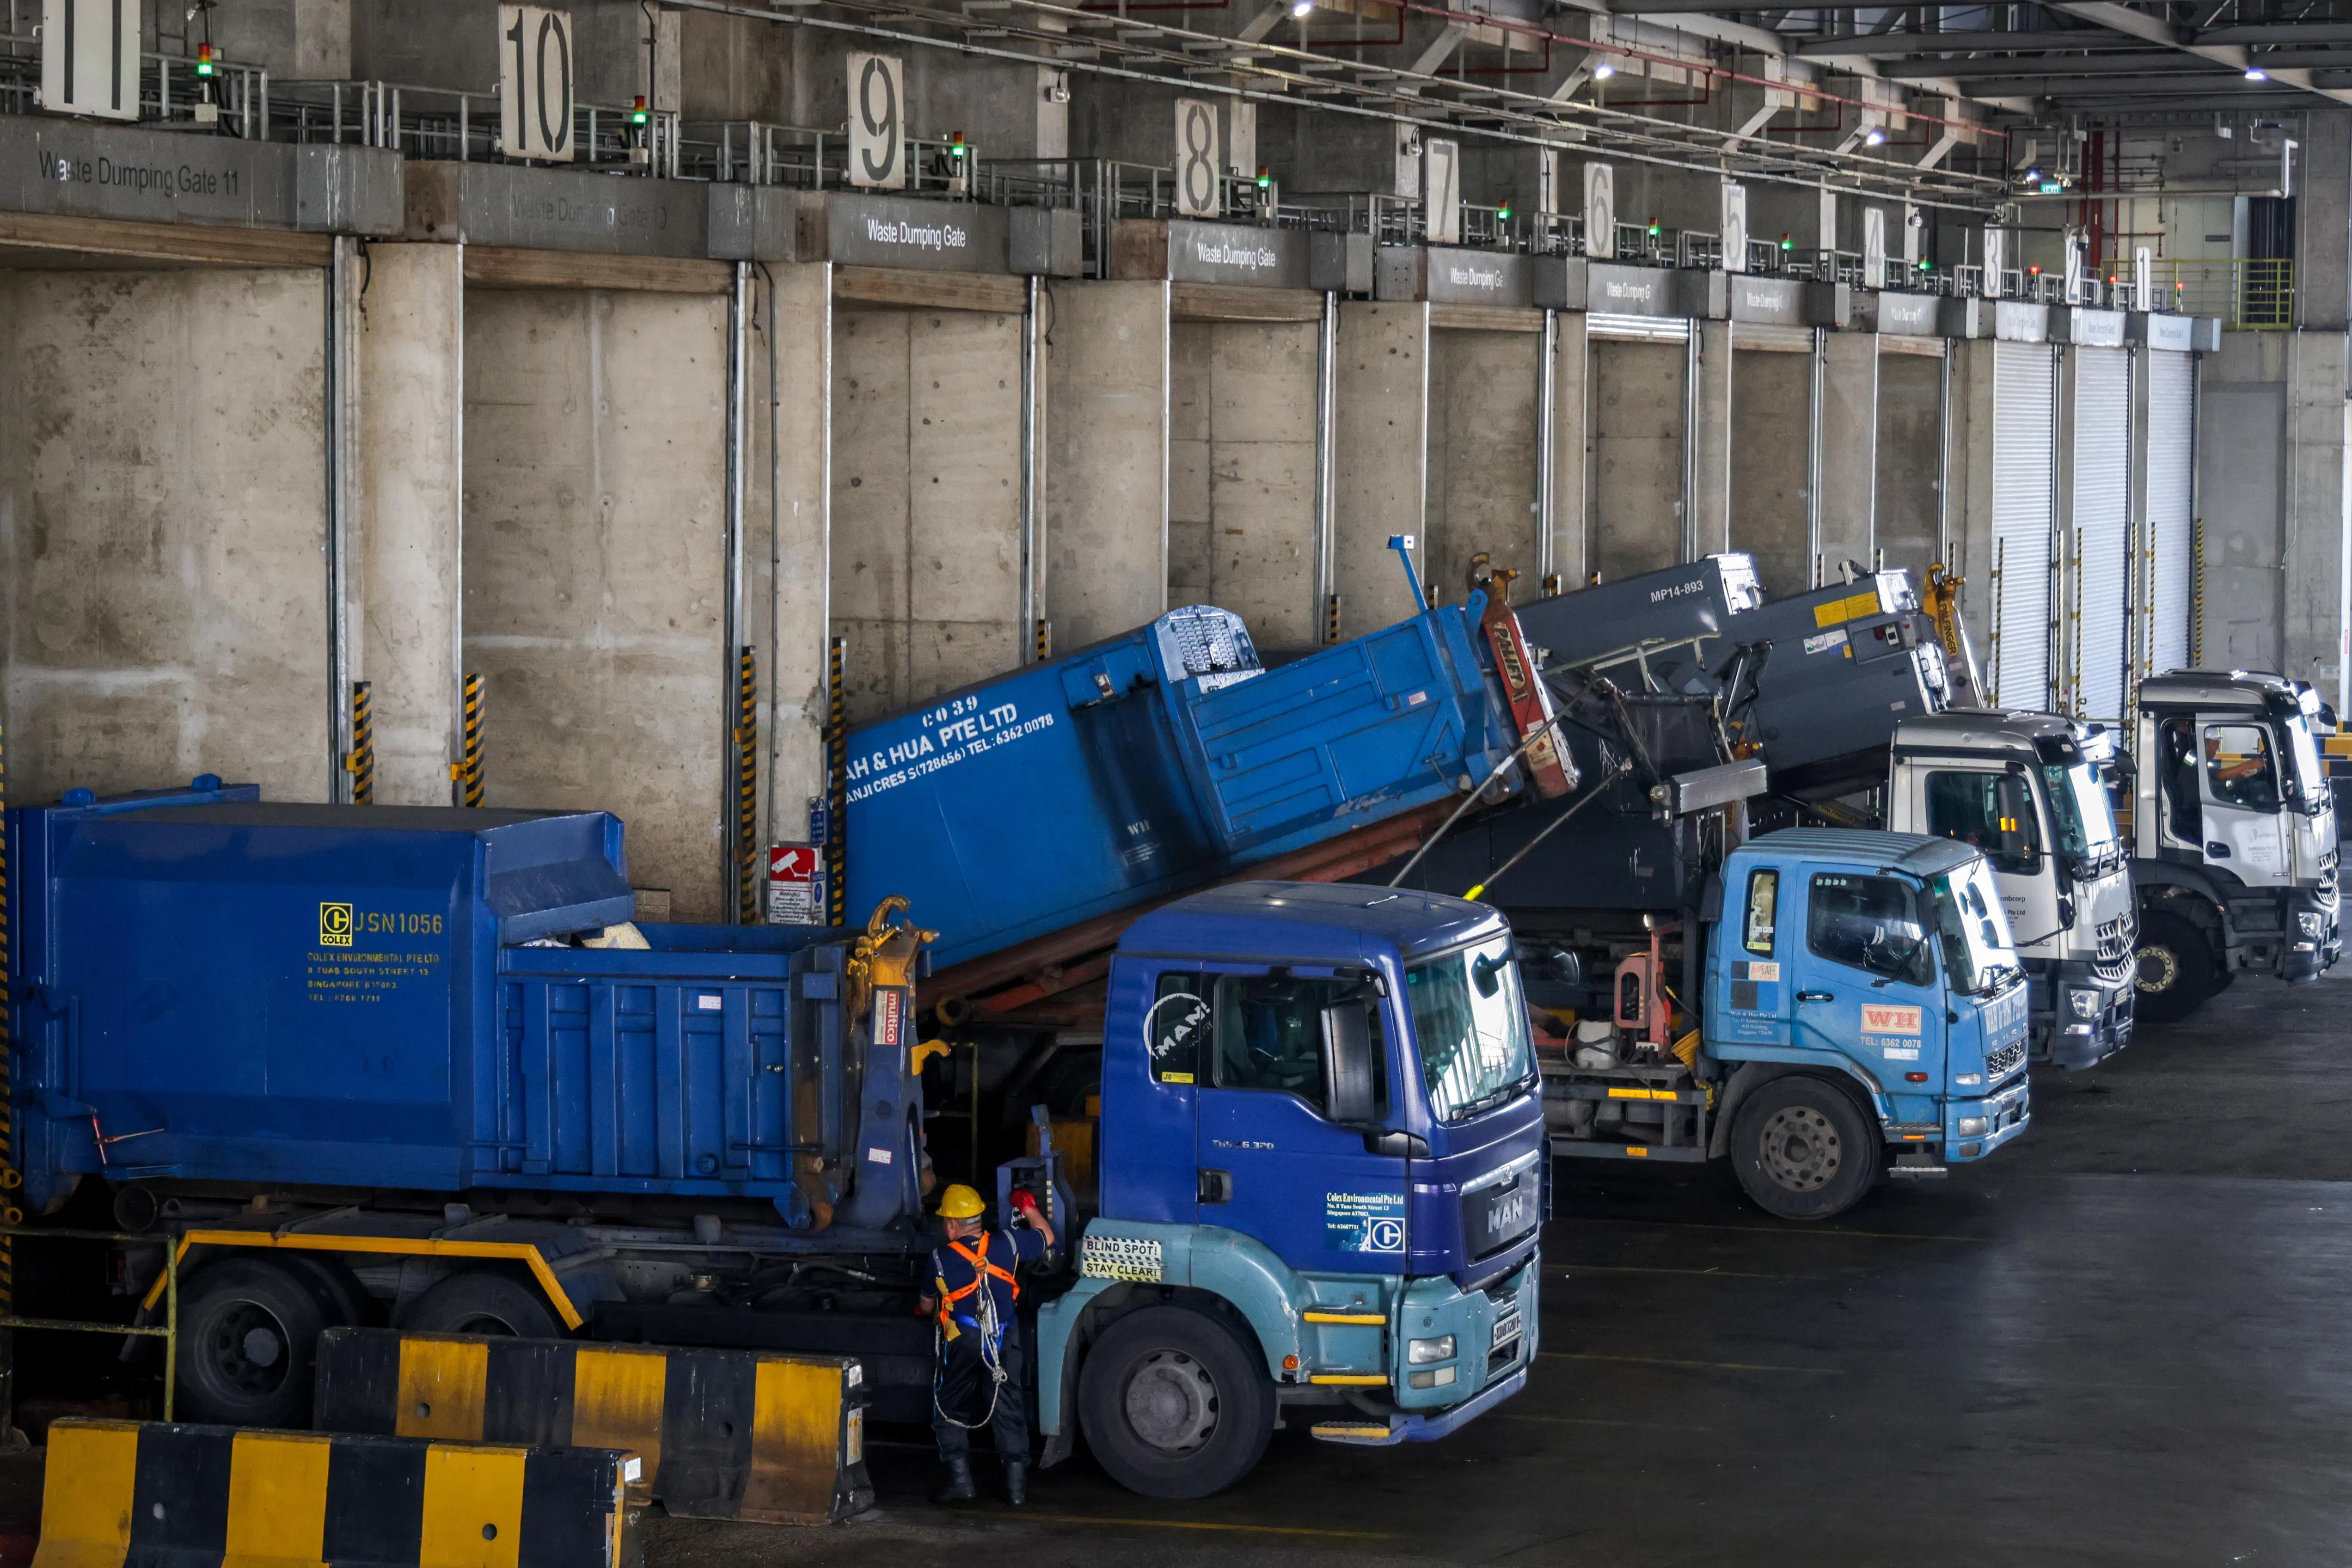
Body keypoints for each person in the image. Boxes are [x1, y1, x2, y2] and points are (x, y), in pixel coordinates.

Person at [919, 1182, 1055, 1506]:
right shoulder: (1009, 1242)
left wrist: (933, 1304)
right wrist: (1029, 1207)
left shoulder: (939, 1259)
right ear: (979, 1217)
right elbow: (1047, 1238)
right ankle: (1017, 1493)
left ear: (952, 1224)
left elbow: (926, 1306)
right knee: (1008, 1408)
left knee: (948, 1408)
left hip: (963, 1341)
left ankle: (962, 1485)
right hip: (1003, 1338)